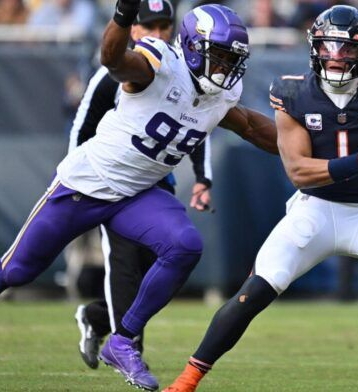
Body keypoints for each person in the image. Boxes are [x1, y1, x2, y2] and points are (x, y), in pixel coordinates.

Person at [0, 3, 277, 391]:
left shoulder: (222, 93)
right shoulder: (160, 62)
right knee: (15, 270)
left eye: (233, 60)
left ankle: (122, 339)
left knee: (184, 245)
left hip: (136, 194)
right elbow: (113, 59)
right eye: (220, 57)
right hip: (87, 185)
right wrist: (123, 14)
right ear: (195, 49)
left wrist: (309, 150)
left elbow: (249, 126)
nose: (226, 69)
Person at [164, 5, 358, 391]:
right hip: (313, 213)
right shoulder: (293, 92)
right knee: (254, 293)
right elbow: (299, 170)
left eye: (346, 50)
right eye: (329, 48)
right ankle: (186, 380)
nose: (336, 57)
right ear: (314, 48)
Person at [69, 0, 213, 370]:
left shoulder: (180, 68)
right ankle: (128, 349)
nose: (160, 35)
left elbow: (200, 125)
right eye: (150, 27)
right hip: (114, 181)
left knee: (161, 267)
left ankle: (98, 318)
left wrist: (202, 177)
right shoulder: (116, 71)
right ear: (133, 31)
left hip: (156, 183)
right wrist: (77, 182)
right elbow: (83, 127)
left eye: (166, 27)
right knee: (126, 263)